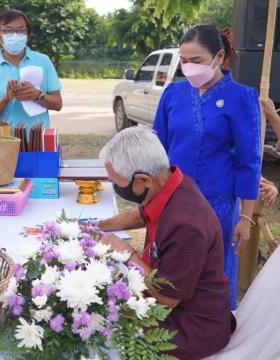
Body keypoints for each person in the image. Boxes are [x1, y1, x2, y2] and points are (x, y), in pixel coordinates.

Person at [98, 127, 234, 360]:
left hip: (193, 327)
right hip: (178, 305)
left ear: (143, 180)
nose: (115, 187)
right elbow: (140, 215)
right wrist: (95, 227)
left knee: (98, 324)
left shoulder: (186, 225)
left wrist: (128, 255)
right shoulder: (171, 183)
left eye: (116, 183)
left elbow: (168, 297)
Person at [153, 25, 262, 309]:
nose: (189, 67)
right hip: (173, 201)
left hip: (219, 206)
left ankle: (215, 334)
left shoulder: (241, 97)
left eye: (197, 61)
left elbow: (248, 162)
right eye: (184, 60)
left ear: (219, 57)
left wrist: (246, 218)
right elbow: (157, 149)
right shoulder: (173, 95)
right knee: (171, 268)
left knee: (215, 273)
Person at [0, 9, 62, 130]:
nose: (15, 35)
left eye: (21, 30)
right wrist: (6, 99)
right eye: (8, 31)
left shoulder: (44, 61)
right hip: (5, 143)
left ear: (27, 35)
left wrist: (38, 95)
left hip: (38, 141)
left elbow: (58, 104)